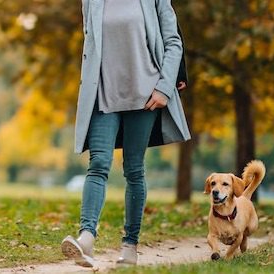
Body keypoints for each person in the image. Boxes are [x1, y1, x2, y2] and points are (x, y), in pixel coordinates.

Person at [60, 0, 191, 268]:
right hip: (103, 95)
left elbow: (173, 41)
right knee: (98, 164)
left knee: (133, 169)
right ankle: (86, 238)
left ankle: (130, 245)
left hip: (144, 97)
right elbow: (91, 46)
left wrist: (165, 88)